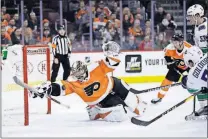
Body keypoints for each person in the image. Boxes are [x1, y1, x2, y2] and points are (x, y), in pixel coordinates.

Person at [31, 41, 147, 122]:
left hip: (112, 84)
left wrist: (111, 52)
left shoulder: (95, 67)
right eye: (79, 77)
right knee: (120, 112)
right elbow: (60, 88)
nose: (82, 79)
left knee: (127, 92)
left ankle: (139, 107)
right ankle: (96, 110)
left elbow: (113, 63)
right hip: (99, 99)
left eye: (83, 75)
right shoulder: (72, 82)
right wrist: (47, 88)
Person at [151, 33, 192, 104]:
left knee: (194, 80)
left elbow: (194, 60)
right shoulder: (170, 47)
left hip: (188, 66)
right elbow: (165, 55)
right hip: (176, 66)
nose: (174, 44)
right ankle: (159, 97)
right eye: (173, 42)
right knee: (166, 81)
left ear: (181, 42)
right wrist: (170, 63)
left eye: (176, 42)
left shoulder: (189, 48)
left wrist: (189, 71)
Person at [182, 46, 207, 120]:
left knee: (200, 89)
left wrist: (185, 81)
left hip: (193, 82)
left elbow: (192, 90)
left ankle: (204, 106)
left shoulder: (192, 75)